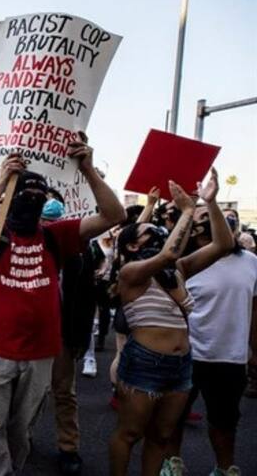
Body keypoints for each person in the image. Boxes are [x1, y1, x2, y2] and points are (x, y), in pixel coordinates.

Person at [0, 134, 125, 476]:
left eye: (39, 195)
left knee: (21, 431)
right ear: (11, 197)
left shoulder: (55, 235)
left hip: (40, 355)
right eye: (25, 194)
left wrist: (88, 170)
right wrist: (0, 185)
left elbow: (114, 215)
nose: (33, 200)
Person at [108, 169, 234, 476]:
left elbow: (223, 246)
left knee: (161, 436)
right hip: (144, 363)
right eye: (148, 233)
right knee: (129, 433)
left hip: (180, 366)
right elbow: (167, 254)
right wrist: (189, 210)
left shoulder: (177, 268)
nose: (159, 236)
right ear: (131, 248)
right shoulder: (131, 274)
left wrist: (211, 203)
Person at [168, 201, 257, 475]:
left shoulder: (251, 262)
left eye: (223, 214)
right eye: (206, 214)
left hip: (230, 358)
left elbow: (255, 307)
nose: (219, 218)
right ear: (194, 229)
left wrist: (254, 350)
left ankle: (224, 468)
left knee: (225, 422)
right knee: (172, 419)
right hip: (185, 355)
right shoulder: (185, 265)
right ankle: (172, 464)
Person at [41, 191, 106, 475]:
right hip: (26, 335)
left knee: (64, 392)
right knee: (22, 394)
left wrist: (79, 338)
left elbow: (86, 298)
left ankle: (69, 447)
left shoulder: (80, 252)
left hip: (62, 335)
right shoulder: (20, 242)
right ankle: (20, 438)